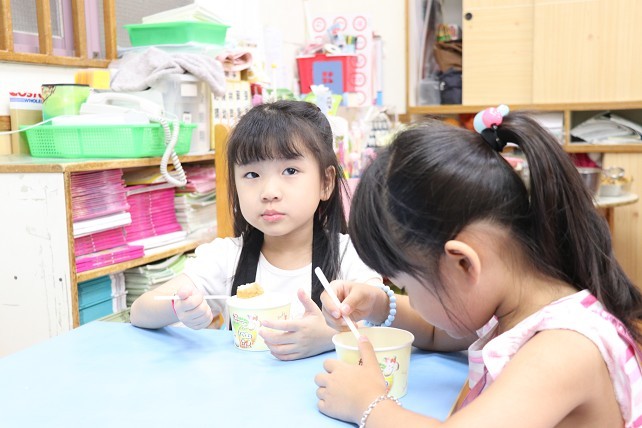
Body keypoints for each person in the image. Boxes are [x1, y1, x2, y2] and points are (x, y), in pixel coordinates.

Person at [315, 106, 642, 427]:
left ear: (463, 264)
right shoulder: (513, 303)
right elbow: (436, 332)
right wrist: (376, 303)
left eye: (408, 287)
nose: (411, 299)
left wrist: (368, 404)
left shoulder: (563, 349)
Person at [130, 100, 382, 360]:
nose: (269, 192)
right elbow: (139, 311)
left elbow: (384, 324)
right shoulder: (225, 257)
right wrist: (178, 307)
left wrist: (329, 336)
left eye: (290, 170)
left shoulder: (350, 256)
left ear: (326, 182)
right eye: (251, 175)